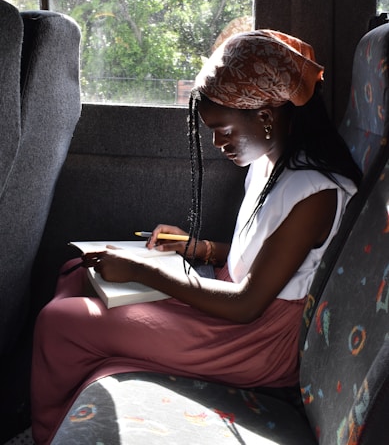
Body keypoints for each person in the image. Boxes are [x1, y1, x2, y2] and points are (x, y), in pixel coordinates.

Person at [31, 29, 362, 444]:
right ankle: (71, 409)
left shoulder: (314, 192)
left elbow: (247, 304)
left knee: (61, 322)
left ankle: (43, 435)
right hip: (236, 305)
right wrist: (197, 248)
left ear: (264, 117)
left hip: (255, 339)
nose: (217, 143)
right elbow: (264, 258)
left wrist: (141, 270)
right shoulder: (268, 164)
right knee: (73, 273)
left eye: (223, 129)